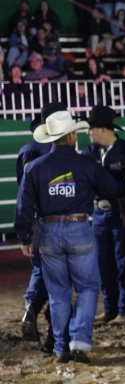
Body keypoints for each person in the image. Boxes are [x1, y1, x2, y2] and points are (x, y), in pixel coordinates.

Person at [15, 108, 125, 363]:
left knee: (58, 293)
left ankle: (60, 347)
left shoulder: (34, 168)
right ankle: (80, 340)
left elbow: (23, 207)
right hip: (79, 229)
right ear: (71, 136)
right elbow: (113, 190)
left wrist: (24, 238)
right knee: (88, 287)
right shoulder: (87, 164)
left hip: (48, 231)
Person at [80, 105, 125, 325]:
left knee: (124, 263)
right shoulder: (89, 153)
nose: (88, 132)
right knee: (103, 263)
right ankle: (111, 308)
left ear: (101, 129)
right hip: (99, 214)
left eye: (90, 128)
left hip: (122, 212)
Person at [17, 104, 62, 355]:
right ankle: (54, 335)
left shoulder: (26, 151)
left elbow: (23, 192)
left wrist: (24, 233)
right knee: (61, 278)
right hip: (59, 220)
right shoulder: (61, 151)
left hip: (35, 220)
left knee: (40, 269)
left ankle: (31, 306)